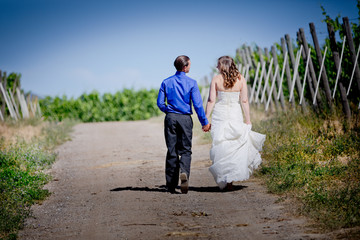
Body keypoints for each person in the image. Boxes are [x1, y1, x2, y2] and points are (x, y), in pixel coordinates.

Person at [205, 56, 266, 191]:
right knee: (234, 144)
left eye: (218, 65)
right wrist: (248, 119)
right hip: (234, 113)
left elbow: (211, 101)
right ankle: (229, 181)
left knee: (222, 144)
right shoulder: (240, 79)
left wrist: (205, 119)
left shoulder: (216, 79)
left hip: (220, 115)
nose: (216, 67)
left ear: (221, 66)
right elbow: (244, 101)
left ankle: (225, 176)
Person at [157, 55, 211, 194]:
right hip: (185, 119)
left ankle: (170, 184)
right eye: (190, 65)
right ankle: (184, 172)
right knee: (186, 149)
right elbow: (198, 105)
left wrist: (168, 110)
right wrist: (204, 122)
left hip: (171, 118)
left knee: (172, 150)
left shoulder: (166, 82)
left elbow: (160, 103)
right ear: (185, 66)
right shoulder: (192, 83)